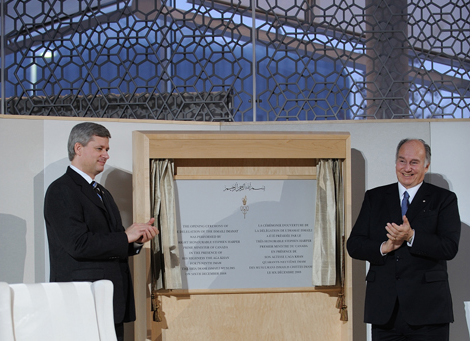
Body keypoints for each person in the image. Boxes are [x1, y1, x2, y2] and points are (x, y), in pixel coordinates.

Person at [44, 122, 158, 341]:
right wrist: (126, 236)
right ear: (78, 148)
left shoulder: (102, 192)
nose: (106, 155)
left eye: (107, 150)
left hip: (109, 300)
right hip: (82, 301)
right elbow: (78, 244)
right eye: (100, 149)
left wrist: (135, 240)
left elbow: (108, 241)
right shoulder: (61, 190)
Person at [347, 138, 461, 341]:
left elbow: (449, 247)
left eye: (414, 162)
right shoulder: (375, 197)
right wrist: (384, 246)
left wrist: (412, 236)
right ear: (396, 163)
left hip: (428, 312)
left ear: (426, 166)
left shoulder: (444, 199)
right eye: (402, 161)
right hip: (385, 313)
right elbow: (354, 244)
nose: (407, 168)